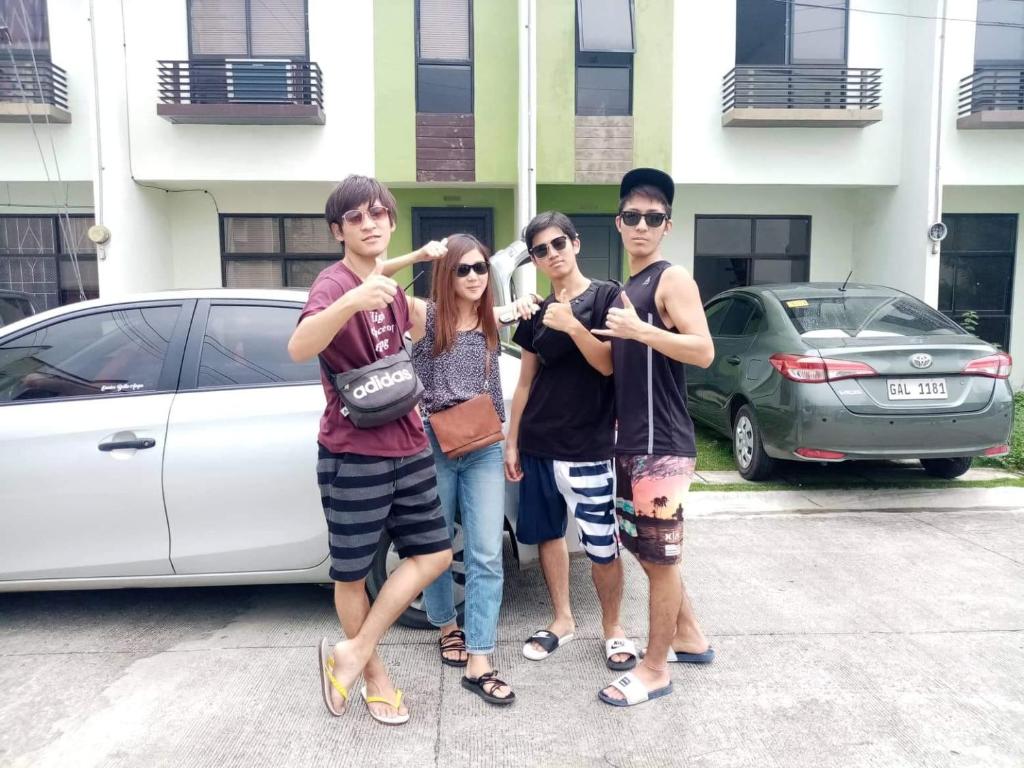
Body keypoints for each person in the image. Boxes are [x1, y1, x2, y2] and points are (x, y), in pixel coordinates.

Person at [287, 175, 453, 725]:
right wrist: (353, 299)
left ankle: (352, 653)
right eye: (356, 218)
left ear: (390, 221)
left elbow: (419, 324)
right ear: (338, 229)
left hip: (407, 442)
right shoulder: (333, 285)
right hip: (353, 450)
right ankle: (376, 677)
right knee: (353, 573)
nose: (369, 223)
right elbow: (299, 345)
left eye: (378, 214)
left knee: (435, 554)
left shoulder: (389, 285)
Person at [378, 234, 537, 706]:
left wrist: (509, 442)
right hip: (435, 443)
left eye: (481, 268)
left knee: (487, 552)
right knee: (437, 547)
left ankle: (481, 655)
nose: (473, 276)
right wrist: (418, 257)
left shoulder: (489, 319)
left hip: (484, 444)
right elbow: (370, 280)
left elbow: (491, 382)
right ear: (446, 274)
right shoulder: (426, 316)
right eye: (462, 269)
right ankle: (447, 625)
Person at [592, 168, 716, 707]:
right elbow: (612, 368)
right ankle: (688, 635)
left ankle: (657, 667)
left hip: (661, 446)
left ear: (667, 225)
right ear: (619, 224)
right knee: (647, 552)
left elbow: (703, 350)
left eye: (653, 217)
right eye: (632, 216)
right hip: (630, 443)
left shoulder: (672, 279)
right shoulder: (624, 289)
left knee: (661, 559)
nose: (641, 225)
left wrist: (643, 330)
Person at [504, 211, 637, 672]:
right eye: (541, 250)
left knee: (602, 544)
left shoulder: (606, 296)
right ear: (535, 261)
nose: (552, 254)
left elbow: (609, 366)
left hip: (588, 446)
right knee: (546, 535)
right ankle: (562, 619)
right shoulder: (536, 313)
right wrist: (512, 442)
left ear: (576, 244)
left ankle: (614, 627)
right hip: (539, 443)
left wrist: (573, 325)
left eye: (558, 243)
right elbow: (524, 384)